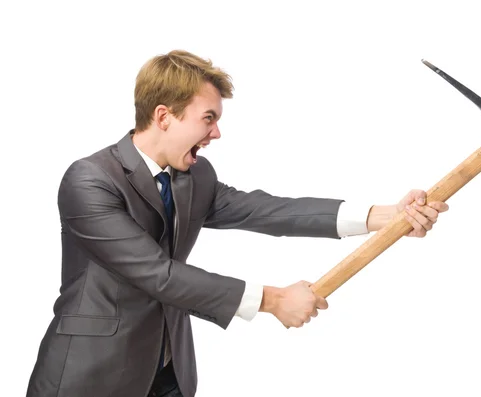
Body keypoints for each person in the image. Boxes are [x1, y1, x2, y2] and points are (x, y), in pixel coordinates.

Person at [26, 49, 450, 397]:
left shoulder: (195, 176)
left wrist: (385, 216)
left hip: (169, 374)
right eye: (208, 118)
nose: (217, 134)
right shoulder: (90, 180)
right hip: (89, 377)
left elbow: (268, 210)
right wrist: (273, 299)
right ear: (164, 116)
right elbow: (155, 274)